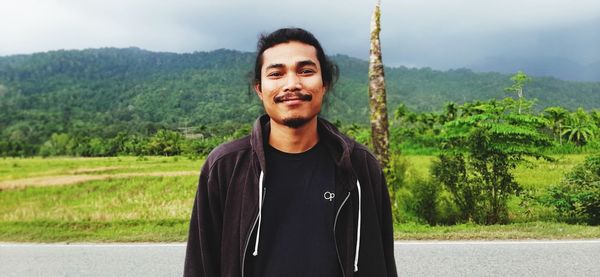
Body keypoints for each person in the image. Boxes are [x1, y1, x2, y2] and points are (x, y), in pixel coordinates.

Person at [184, 27, 397, 277]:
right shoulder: (225, 167)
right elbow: (201, 265)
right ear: (259, 89)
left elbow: (381, 263)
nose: (292, 84)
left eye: (306, 71)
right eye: (276, 74)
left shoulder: (360, 166)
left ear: (324, 84)